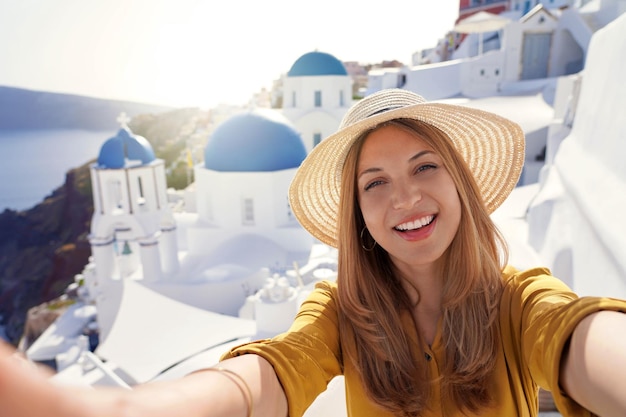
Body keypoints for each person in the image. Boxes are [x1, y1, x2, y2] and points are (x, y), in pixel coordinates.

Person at [1, 88, 626, 417]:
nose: (404, 198)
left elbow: (577, 335)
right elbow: (270, 376)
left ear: (460, 181)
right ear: (356, 213)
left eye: (425, 167)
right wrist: (128, 410)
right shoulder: (339, 313)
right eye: (374, 183)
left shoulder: (519, 301)